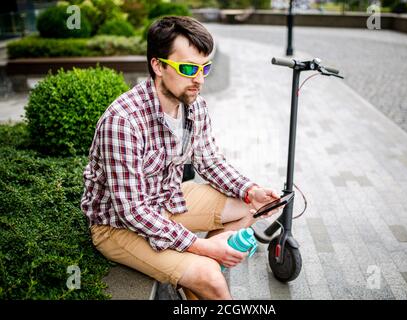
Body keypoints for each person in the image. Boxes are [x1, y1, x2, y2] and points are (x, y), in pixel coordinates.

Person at [80, 16, 280, 300]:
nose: (198, 79)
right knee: (211, 276)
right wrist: (201, 247)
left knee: (248, 207)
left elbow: (210, 161)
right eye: (188, 68)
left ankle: (197, 277)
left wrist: (251, 190)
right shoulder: (122, 122)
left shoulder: (193, 105)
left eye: (204, 68)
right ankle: (203, 275)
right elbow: (132, 211)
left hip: (167, 199)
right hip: (117, 227)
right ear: (158, 66)